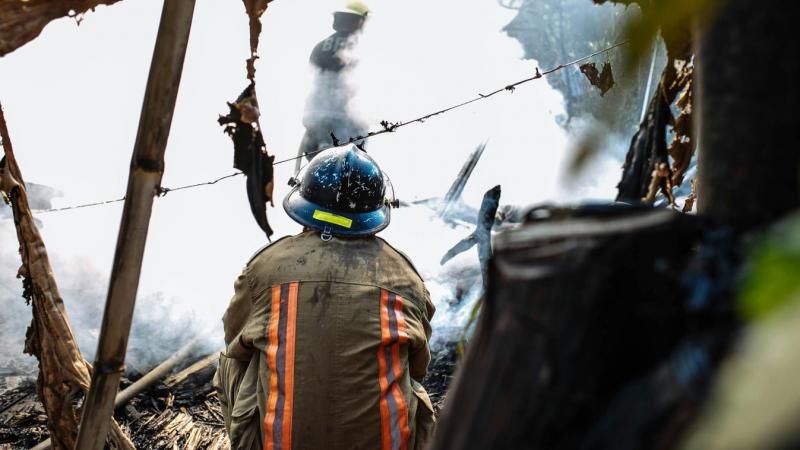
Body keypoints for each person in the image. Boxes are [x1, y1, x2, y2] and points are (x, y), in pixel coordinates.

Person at [214, 146, 436, 450]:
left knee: (234, 360)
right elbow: (420, 364)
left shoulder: (266, 268)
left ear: (305, 203)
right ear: (375, 210)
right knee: (409, 378)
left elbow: (233, 336)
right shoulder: (406, 278)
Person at [296, 2, 371, 174]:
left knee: (315, 177)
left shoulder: (320, 47)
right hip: (346, 128)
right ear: (359, 21)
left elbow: (314, 82)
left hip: (315, 124)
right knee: (346, 178)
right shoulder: (360, 48)